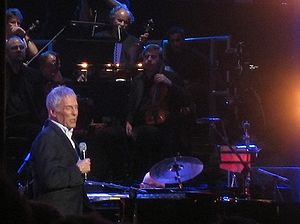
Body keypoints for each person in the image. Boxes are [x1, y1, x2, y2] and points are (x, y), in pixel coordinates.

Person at [125, 44, 185, 181]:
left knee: (147, 135)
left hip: (164, 124)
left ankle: (148, 177)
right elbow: (132, 103)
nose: (149, 60)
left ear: (160, 59)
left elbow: (185, 98)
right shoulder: (138, 79)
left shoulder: (170, 75)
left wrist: (169, 83)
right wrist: (128, 120)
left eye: (153, 57)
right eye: (146, 57)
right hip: (140, 122)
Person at [29, 86, 91, 216]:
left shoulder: (65, 136)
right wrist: (78, 170)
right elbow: (49, 179)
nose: (75, 113)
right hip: (56, 215)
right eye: (69, 108)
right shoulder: (47, 137)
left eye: (76, 107)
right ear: (52, 111)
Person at [94, 4, 149, 70]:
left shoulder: (134, 41)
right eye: (119, 21)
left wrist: (139, 46)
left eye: (125, 22)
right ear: (112, 20)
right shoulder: (100, 37)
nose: (122, 24)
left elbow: (136, 64)